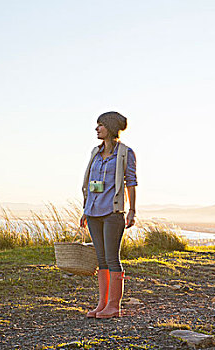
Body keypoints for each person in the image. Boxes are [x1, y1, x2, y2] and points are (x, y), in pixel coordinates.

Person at [80, 111, 137, 319]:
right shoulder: (95, 152)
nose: (97, 129)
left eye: (100, 125)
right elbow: (89, 183)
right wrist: (85, 210)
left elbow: (131, 182)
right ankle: (102, 305)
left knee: (112, 259)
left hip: (113, 212)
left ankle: (114, 306)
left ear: (110, 128)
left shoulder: (125, 153)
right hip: (93, 212)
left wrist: (131, 210)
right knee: (101, 259)